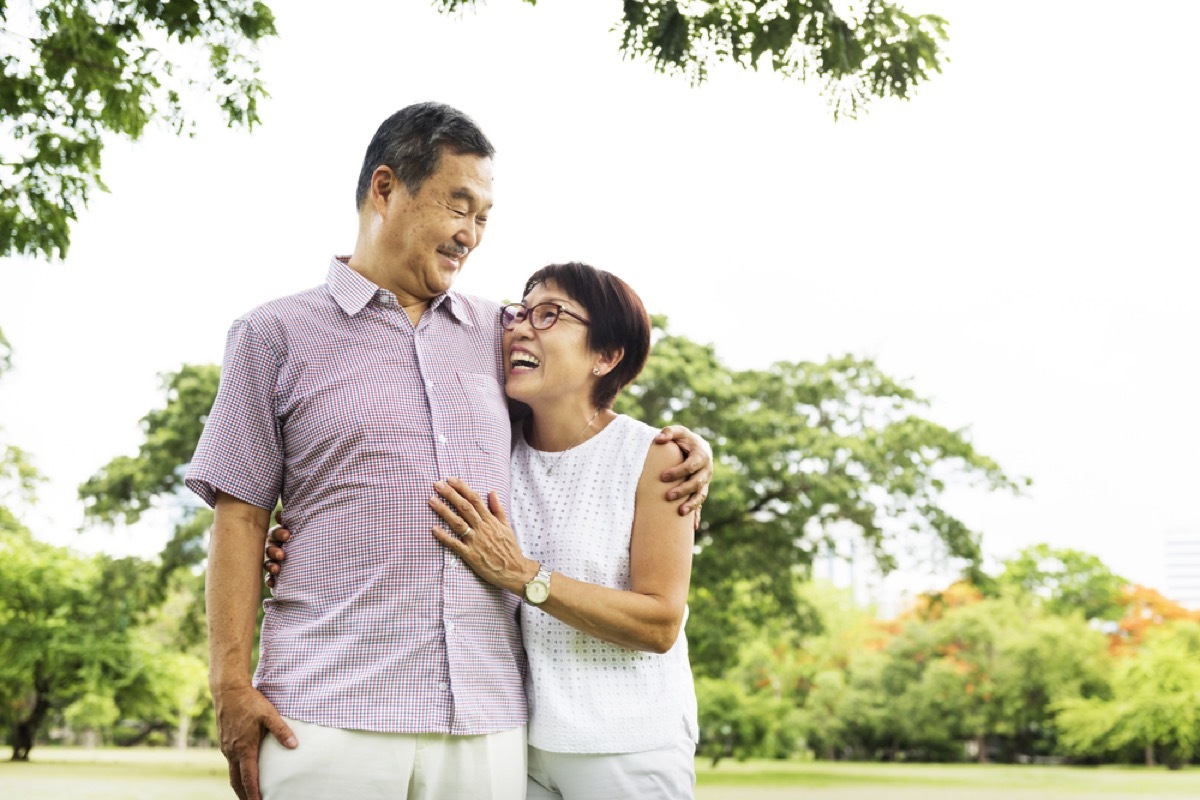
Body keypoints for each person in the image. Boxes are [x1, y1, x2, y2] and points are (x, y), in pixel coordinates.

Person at [185, 102, 710, 800]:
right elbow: (240, 514)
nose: (471, 235)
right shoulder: (271, 335)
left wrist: (685, 446)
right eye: (458, 206)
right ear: (385, 189)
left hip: (487, 730)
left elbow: (577, 412)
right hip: (325, 714)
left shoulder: (498, 332)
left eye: (484, 217)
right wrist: (228, 681)